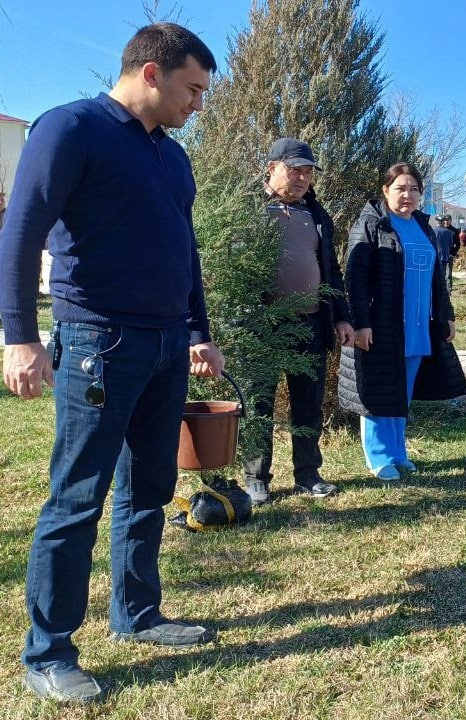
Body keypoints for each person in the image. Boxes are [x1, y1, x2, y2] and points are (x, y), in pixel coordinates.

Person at [0, 24, 224, 704]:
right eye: (192, 90)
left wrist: (199, 330)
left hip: (164, 346)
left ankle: (138, 614)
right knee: (77, 500)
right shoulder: (70, 129)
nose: (198, 105)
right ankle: (48, 652)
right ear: (151, 74)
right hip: (98, 344)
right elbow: (22, 227)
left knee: (148, 489)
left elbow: (184, 251)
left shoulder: (172, 158)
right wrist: (18, 335)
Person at [338, 162, 466, 481]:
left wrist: (446, 314)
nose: (407, 195)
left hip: (419, 325)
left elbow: (437, 277)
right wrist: (361, 323)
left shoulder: (423, 226)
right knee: (379, 390)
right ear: (385, 191)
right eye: (400, 188)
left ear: (421, 194)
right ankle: (378, 457)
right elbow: (355, 278)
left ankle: (397, 452)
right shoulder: (372, 224)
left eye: (413, 189)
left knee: (401, 391)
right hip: (383, 326)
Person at [242, 138, 354, 506]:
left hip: (310, 324)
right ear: (271, 167)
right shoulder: (249, 211)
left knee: (309, 401)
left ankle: (308, 474)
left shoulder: (316, 215)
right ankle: (256, 478)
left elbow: (330, 271)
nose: (303, 178)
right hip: (263, 328)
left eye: (308, 172)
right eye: (295, 170)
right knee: (259, 403)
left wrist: (340, 317)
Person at [432, 214, 460, 290]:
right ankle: (443, 289)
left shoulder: (433, 230)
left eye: (448, 220)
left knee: (443, 274)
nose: (446, 222)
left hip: (441, 256)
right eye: (445, 220)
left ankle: (443, 289)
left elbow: (457, 244)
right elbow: (451, 244)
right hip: (444, 256)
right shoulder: (448, 232)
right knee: (444, 274)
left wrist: (453, 253)